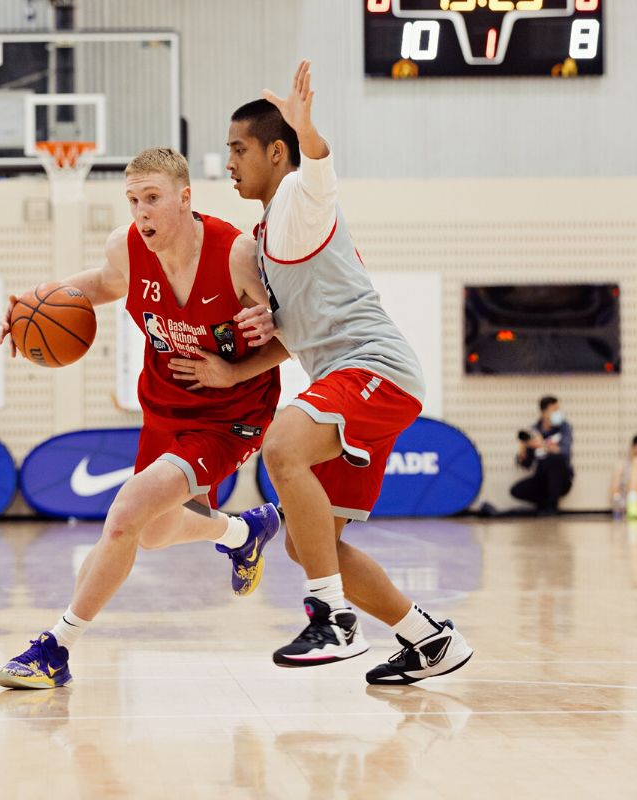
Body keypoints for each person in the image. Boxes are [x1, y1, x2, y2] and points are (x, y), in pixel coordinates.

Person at [0, 147, 287, 689]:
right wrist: (22, 310)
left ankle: (55, 648)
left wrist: (232, 371)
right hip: (164, 408)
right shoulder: (127, 248)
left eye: (152, 198)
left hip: (230, 414)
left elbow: (302, 331)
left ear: (185, 198)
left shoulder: (238, 254)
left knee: (126, 511)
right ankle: (242, 531)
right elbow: (103, 284)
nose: (141, 212)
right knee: (151, 533)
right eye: (132, 200)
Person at [224, 60, 472, 683]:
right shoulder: (269, 232)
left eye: (238, 149)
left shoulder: (298, 201)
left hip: (374, 369)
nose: (227, 161)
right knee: (312, 543)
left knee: (280, 449)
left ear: (276, 153)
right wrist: (257, 344)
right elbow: (296, 335)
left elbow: (320, 171)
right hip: (352, 377)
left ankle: (331, 618)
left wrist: (311, 134)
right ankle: (429, 640)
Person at [511, 396, 574, 515]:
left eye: (558, 409)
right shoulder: (534, 431)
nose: (558, 413)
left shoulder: (564, 428)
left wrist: (542, 445)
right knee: (517, 490)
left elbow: (565, 453)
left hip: (562, 478)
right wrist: (524, 447)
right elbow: (526, 465)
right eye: (554, 409)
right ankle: (544, 506)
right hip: (542, 477)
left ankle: (551, 507)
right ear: (544, 412)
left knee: (555, 460)